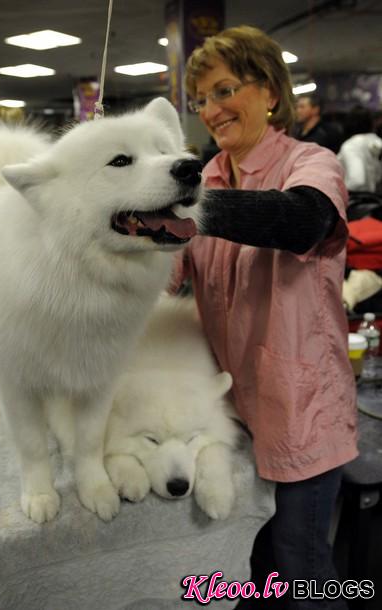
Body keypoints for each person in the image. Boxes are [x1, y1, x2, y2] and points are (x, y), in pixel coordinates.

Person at [181, 25, 357, 609]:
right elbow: (169, 280)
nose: (211, 109)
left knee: (303, 567)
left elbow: (300, 220)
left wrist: (182, 209)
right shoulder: (206, 176)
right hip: (235, 413)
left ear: (270, 93)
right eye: (201, 99)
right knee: (251, 569)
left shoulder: (312, 162)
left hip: (302, 410)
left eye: (224, 90)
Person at [337, 106, 382, 193]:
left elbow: (356, 180)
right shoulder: (378, 141)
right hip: (376, 198)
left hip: (357, 201)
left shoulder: (351, 146)